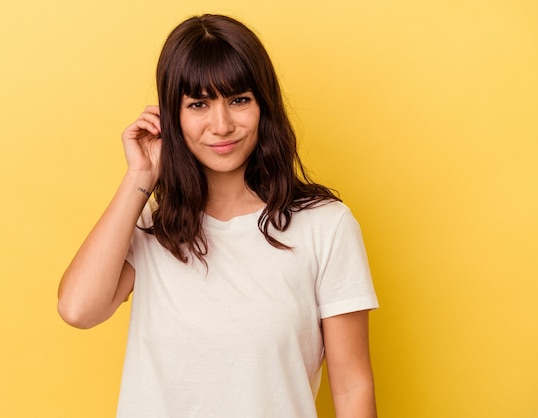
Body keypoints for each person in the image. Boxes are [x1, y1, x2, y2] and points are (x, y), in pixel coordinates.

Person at [58, 14, 379, 418]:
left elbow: (352, 388)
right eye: (198, 104)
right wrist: (140, 175)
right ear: (171, 117)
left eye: (239, 100)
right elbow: (78, 309)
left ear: (264, 105)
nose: (222, 125)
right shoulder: (152, 227)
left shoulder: (325, 226)